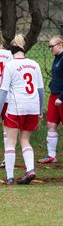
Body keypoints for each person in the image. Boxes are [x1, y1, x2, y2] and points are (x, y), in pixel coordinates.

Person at [0, 34, 44, 185]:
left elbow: (4, 91)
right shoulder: (34, 64)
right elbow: (41, 90)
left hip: (16, 107)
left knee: (11, 142)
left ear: (12, 50)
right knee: (25, 140)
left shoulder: (10, 66)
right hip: (32, 107)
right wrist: (40, 110)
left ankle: (10, 177)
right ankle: (30, 169)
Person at [37, 35, 63, 164]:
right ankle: (51, 156)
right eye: (49, 46)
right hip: (54, 96)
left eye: (52, 46)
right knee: (51, 124)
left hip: (62, 97)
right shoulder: (57, 58)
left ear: (60, 45)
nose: (50, 48)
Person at [0, 30, 14, 168]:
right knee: (6, 126)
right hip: (6, 95)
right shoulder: (9, 54)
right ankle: (6, 157)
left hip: (3, 94)